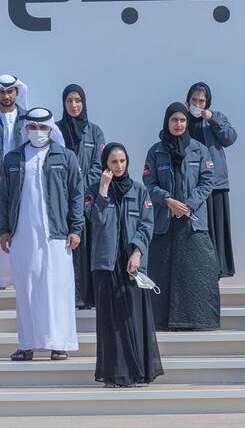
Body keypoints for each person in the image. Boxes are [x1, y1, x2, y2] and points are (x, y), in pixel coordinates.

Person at [0, 108, 83, 361]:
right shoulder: (13, 158)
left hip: (57, 233)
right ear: (26, 129)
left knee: (57, 287)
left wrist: (75, 228)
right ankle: (26, 344)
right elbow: (4, 197)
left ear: (51, 129)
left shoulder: (65, 156)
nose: (37, 132)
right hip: (22, 234)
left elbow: (76, 194)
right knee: (26, 288)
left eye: (43, 128)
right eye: (32, 128)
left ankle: (59, 343)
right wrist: (4, 229)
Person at [87, 143, 163, 387]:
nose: (118, 166)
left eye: (122, 161)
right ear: (105, 165)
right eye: (113, 162)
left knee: (134, 318)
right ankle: (114, 373)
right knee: (110, 322)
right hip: (106, 265)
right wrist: (103, 189)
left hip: (131, 264)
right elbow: (95, 220)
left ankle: (138, 371)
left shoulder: (139, 191)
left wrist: (137, 252)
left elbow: (146, 224)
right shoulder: (95, 190)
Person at [143, 103, 219, 331]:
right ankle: (162, 321)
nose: (178, 124)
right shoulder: (155, 151)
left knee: (197, 270)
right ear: (167, 122)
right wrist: (167, 200)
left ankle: (197, 320)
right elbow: (149, 182)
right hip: (164, 221)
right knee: (162, 270)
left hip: (192, 221)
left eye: (182, 120)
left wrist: (188, 204)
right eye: (174, 120)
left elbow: (208, 181)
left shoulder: (200, 150)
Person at [56, 84, 105, 310]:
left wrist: (81, 190)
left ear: (84, 103)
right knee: (66, 250)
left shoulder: (95, 132)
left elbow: (98, 166)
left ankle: (88, 297)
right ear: (63, 104)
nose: (74, 105)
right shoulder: (55, 131)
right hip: (61, 201)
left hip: (87, 200)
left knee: (87, 249)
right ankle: (69, 297)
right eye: (69, 101)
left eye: (77, 100)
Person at [186, 81, 237, 278]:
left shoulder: (217, 118)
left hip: (216, 183)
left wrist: (212, 119)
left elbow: (230, 138)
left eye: (201, 101)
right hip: (192, 186)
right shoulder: (182, 120)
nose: (197, 105)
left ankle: (218, 267)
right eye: (193, 100)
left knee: (217, 226)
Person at [0, 74, 29, 289]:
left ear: (17, 93)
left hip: (20, 182)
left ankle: (18, 278)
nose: (6, 96)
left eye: (10, 91)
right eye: (2, 92)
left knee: (20, 227)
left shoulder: (27, 119)